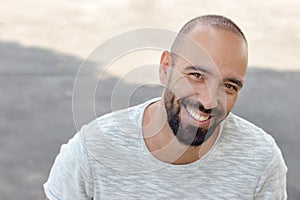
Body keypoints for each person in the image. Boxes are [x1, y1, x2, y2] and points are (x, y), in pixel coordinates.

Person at [44, 15, 287, 199]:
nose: (209, 101)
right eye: (196, 75)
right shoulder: (90, 152)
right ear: (165, 68)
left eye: (229, 86)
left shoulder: (260, 160)